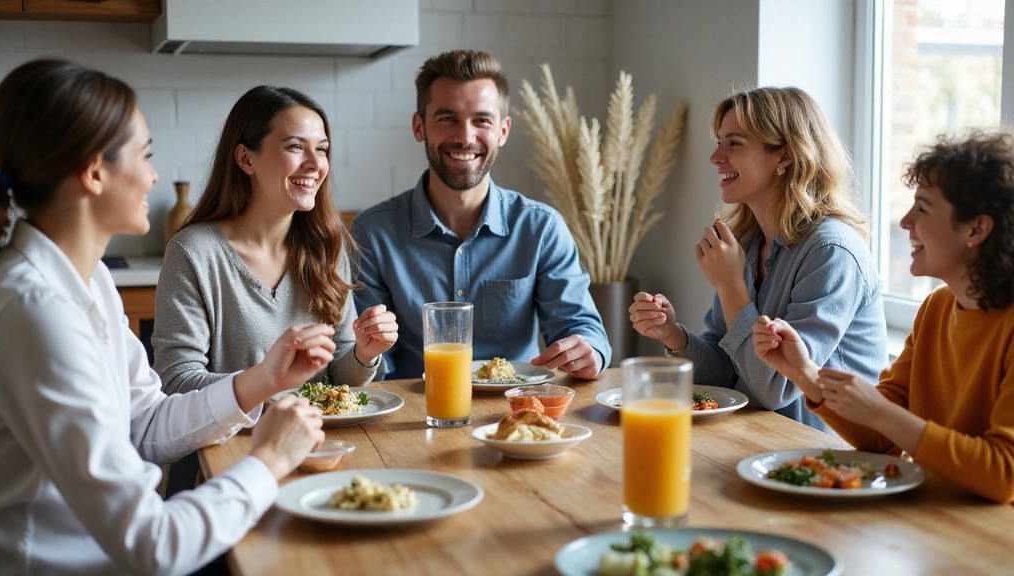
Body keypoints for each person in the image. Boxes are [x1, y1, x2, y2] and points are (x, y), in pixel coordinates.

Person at [0, 59, 329, 574]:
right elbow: (153, 544)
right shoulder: (36, 312)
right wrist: (270, 461)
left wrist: (263, 380)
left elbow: (145, 424)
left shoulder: (91, 279)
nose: (153, 174)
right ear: (94, 172)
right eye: (144, 155)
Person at [753, 130, 1014, 503]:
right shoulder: (936, 310)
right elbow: (882, 438)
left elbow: (1004, 474)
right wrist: (805, 375)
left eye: (922, 208)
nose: (905, 221)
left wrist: (882, 413)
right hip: (935, 522)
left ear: (976, 229)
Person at [629, 87, 887, 430]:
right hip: (758, 443)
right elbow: (731, 373)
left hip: (823, 458)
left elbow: (774, 389)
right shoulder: (747, 245)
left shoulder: (832, 251)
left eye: (733, 143)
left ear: (784, 156)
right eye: (719, 142)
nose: (715, 157)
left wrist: (731, 285)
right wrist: (673, 334)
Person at [350, 49, 610, 380]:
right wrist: (363, 357)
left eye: (481, 120)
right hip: (414, 418)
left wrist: (589, 350)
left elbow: (581, 325)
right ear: (419, 127)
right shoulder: (372, 233)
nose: (465, 137)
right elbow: (360, 358)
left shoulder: (541, 227)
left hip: (518, 414)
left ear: (503, 131)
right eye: (447, 119)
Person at [153, 85, 399, 396]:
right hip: (240, 443)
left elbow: (336, 375)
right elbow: (177, 382)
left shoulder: (326, 244)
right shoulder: (194, 253)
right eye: (296, 147)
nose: (315, 163)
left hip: (322, 440)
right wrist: (268, 381)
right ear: (245, 159)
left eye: (321, 149)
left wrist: (364, 354)